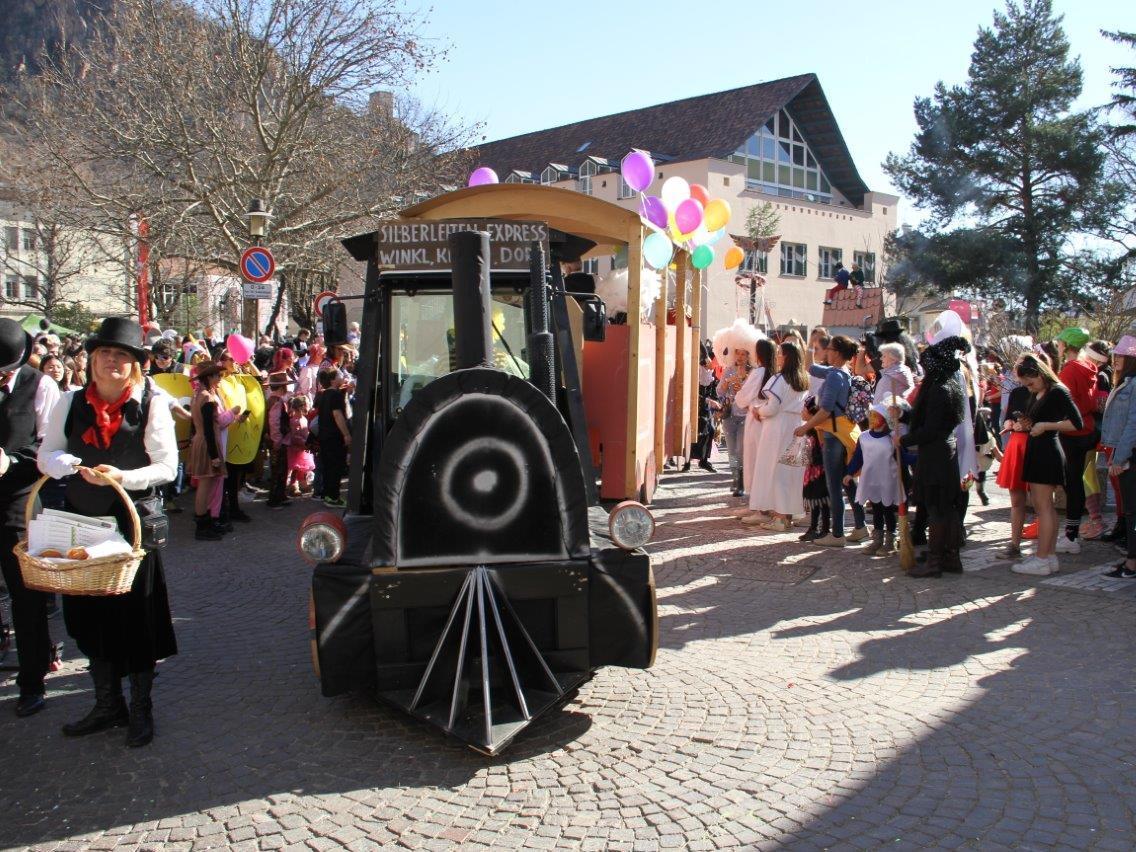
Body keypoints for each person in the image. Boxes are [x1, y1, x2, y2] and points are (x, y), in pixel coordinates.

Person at [37, 317, 178, 747]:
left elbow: (166, 467)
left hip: (133, 527)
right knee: (87, 618)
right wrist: (66, 465)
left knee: (137, 619)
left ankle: (140, 707)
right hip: (83, 525)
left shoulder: (152, 403)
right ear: (92, 359)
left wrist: (122, 476)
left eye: (121, 356)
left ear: (135, 365)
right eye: (104, 354)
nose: (111, 361)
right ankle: (107, 704)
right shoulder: (69, 401)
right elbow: (48, 454)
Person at [0, 318, 62, 718]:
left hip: (19, 503)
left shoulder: (40, 385)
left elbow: (50, 451)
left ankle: (32, 678)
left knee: (27, 595)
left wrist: (9, 460)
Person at [900, 336, 969, 578]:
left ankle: (936, 561)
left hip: (936, 454)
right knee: (944, 507)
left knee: (937, 508)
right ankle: (949, 558)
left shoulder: (940, 389)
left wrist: (904, 440)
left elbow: (931, 429)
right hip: (943, 452)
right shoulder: (949, 385)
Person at [1011, 353, 1083, 576]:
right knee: (1046, 508)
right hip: (1039, 449)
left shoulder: (1058, 390)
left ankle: (1043, 558)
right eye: (1025, 385)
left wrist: (1046, 426)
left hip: (1046, 452)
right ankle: (1048, 555)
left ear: (1040, 374)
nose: (1029, 388)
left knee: (1044, 509)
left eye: (1030, 383)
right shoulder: (1042, 392)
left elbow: (1076, 423)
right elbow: (1040, 421)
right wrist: (1028, 424)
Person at [795, 335, 861, 547]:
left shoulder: (834, 377)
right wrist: (809, 342)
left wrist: (805, 427)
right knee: (847, 482)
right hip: (841, 432)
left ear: (838, 353)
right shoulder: (839, 372)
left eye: (830, 349)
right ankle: (860, 527)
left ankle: (838, 534)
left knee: (833, 486)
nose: (826, 351)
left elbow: (825, 410)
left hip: (834, 435)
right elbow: (810, 368)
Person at [742, 339, 809, 531]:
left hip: (777, 427)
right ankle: (785, 514)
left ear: (787, 357)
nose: (777, 356)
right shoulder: (803, 377)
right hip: (796, 425)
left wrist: (758, 410)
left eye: (780, 353)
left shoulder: (780, 379)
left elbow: (772, 408)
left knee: (773, 469)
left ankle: (779, 516)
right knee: (790, 471)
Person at [1054, 327, 1102, 554]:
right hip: (1088, 429)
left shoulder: (1070, 369)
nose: (1058, 346)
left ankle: (1071, 536)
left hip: (1072, 432)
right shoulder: (1089, 366)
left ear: (1066, 344)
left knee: (1071, 483)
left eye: (1060, 342)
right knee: (1077, 482)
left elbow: (1064, 402)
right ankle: (1072, 533)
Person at [845, 404, 911, 556]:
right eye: (871, 415)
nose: (872, 419)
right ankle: (877, 540)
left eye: (876, 416)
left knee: (888, 510)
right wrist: (849, 473)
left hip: (888, 480)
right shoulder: (864, 437)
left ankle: (890, 540)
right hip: (871, 480)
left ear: (884, 420)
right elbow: (858, 458)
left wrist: (920, 459)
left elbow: (903, 458)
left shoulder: (892, 439)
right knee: (876, 510)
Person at [1100, 335, 1136, 578]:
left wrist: (1120, 458)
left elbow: (1133, 424)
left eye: (1122, 355)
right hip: (1123, 452)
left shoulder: (1133, 384)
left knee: (1132, 510)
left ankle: (1132, 564)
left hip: (1129, 455)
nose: (1117, 359)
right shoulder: (1126, 382)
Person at [187, 362, 233, 540]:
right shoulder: (207, 398)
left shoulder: (198, 395)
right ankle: (202, 527)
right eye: (217, 375)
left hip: (202, 441)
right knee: (205, 487)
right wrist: (214, 456)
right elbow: (208, 428)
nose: (219, 378)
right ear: (209, 377)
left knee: (206, 486)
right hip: (207, 443)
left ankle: (206, 524)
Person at [734, 337, 774, 509]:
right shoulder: (776, 373)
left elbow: (742, 398)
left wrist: (741, 390)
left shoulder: (758, 373)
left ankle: (758, 504)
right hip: (770, 420)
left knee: (754, 459)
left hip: (756, 418)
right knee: (765, 460)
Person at [716, 332, 756, 498]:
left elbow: (755, 393)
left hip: (746, 416)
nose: (740, 357)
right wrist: (726, 383)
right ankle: (736, 480)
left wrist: (743, 389)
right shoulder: (729, 371)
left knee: (741, 450)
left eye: (743, 354)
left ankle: (741, 481)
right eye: (737, 353)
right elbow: (719, 391)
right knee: (732, 451)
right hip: (729, 415)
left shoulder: (753, 372)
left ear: (748, 356)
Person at [316, 368, 351, 508]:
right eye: (339, 375)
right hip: (334, 436)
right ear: (332, 379)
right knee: (335, 466)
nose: (342, 376)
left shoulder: (325, 394)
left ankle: (327, 494)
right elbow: (337, 415)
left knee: (327, 465)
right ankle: (333, 497)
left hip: (325, 435)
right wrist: (346, 434)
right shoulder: (335, 395)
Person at [265, 371, 296, 509]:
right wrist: (277, 441)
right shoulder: (276, 402)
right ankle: (274, 499)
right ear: (281, 387)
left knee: (281, 470)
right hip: (278, 442)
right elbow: (274, 423)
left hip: (278, 440)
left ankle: (280, 495)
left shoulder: (274, 400)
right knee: (278, 470)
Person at [287, 396, 315, 495]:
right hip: (296, 449)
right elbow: (295, 436)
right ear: (302, 406)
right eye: (307, 404)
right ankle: (293, 485)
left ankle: (303, 483)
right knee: (295, 468)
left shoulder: (304, 419)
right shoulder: (294, 421)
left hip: (303, 448)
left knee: (302, 468)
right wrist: (304, 442)